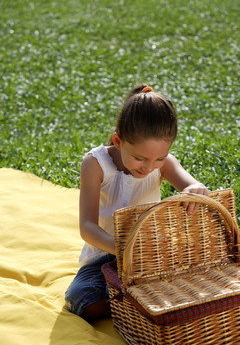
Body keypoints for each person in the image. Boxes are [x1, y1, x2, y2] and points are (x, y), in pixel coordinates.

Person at [65, 83, 208, 322]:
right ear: (118, 141)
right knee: (81, 299)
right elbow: (87, 228)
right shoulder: (95, 164)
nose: (149, 168)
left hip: (151, 255)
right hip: (106, 257)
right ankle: (141, 306)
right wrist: (122, 250)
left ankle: (138, 302)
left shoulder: (165, 164)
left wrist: (195, 188)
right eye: (139, 158)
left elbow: (193, 187)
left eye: (159, 158)